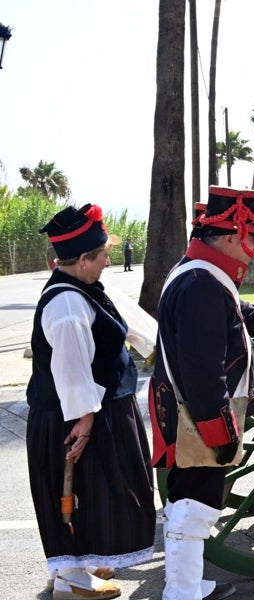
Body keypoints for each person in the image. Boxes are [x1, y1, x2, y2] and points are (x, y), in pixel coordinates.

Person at [151, 180, 254, 600]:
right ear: (229, 236)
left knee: (193, 497)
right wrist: (219, 431)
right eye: (253, 237)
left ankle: (188, 584)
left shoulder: (201, 274)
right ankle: (182, 592)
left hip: (190, 410)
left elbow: (237, 314)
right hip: (198, 415)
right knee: (194, 501)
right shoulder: (202, 283)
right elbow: (203, 371)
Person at [28, 204, 155, 600]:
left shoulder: (90, 287)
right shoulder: (66, 306)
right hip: (75, 415)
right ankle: (69, 579)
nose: (109, 259)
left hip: (94, 411)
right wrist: (84, 421)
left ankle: (75, 567)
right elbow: (70, 369)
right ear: (82, 259)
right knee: (75, 493)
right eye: (102, 254)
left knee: (91, 494)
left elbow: (136, 328)